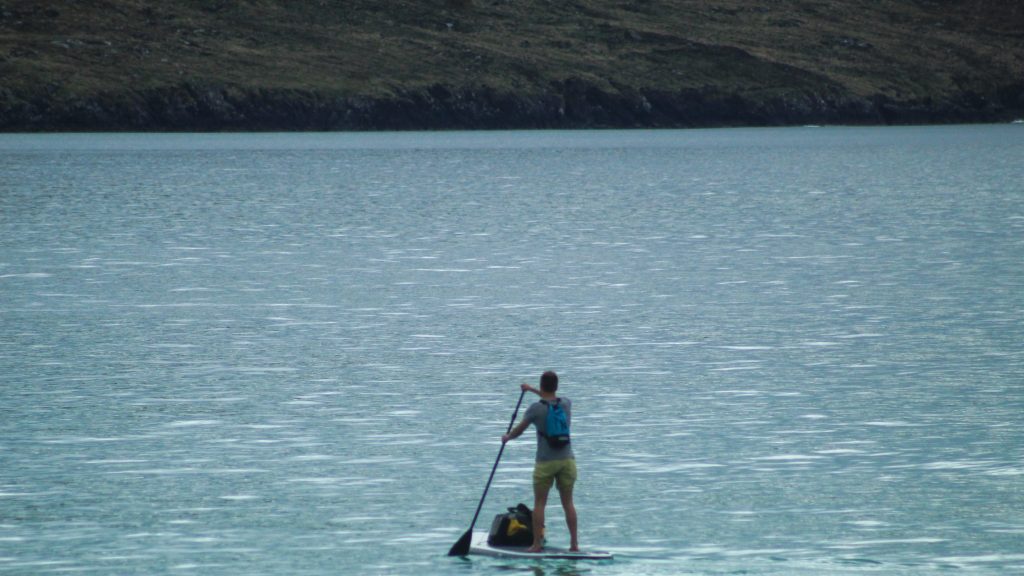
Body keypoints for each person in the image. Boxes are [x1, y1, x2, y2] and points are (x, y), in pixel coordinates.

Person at [501, 370, 578, 552]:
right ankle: (574, 545)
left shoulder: (535, 409)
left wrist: (508, 437)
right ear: (556, 387)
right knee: (568, 504)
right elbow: (549, 397)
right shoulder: (566, 404)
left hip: (546, 463)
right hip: (567, 461)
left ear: (541, 386)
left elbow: (519, 430)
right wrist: (531, 389)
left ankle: (536, 545)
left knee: (540, 504)